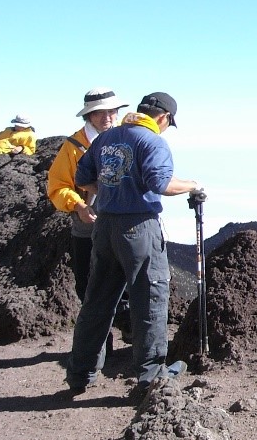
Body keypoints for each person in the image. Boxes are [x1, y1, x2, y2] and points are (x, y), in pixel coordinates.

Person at [65, 92, 200, 396]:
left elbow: (83, 177)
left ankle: (80, 373)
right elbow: (160, 183)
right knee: (149, 298)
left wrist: (114, 190)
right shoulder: (152, 141)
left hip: (105, 227)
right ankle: (151, 377)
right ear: (163, 118)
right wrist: (194, 184)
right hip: (139, 227)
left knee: (98, 300)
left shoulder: (107, 138)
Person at [47, 88, 129, 305]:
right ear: (89, 115)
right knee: (88, 284)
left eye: (112, 111)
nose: (107, 117)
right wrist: (79, 206)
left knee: (127, 283)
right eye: (99, 112)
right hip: (88, 226)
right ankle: (99, 338)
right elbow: (58, 186)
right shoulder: (73, 147)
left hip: (125, 223)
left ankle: (128, 330)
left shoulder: (127, 137)